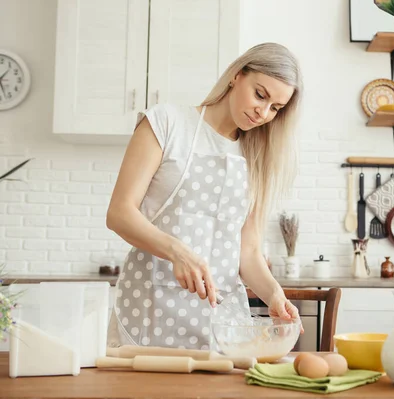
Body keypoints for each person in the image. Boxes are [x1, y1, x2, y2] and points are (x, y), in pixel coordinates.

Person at [105, 42, 303, 350]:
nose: (262, 112)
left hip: (220, 318)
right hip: (149, 309)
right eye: (260, 95)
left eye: (275, 108)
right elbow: (119, 213)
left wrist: (275, 294)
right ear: (237, 76)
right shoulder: (166, 123)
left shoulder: (258, 157)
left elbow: (248, 254)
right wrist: (177, 252)